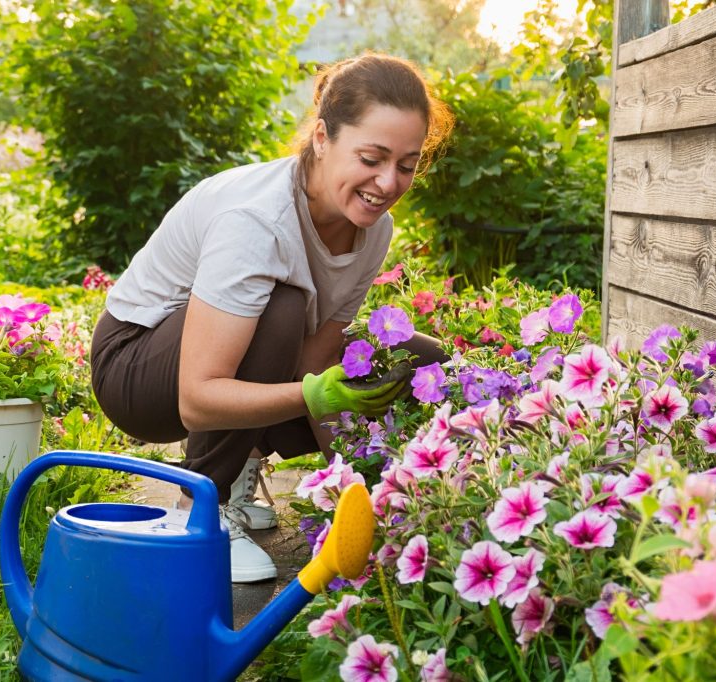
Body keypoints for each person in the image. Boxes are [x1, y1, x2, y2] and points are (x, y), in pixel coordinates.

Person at [90, 53, 454, 583]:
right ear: (324, 138)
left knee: (416, 361)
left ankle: (242, 463)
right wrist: (315, 396)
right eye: (371, 157)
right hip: (138, 369)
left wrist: (357, 501)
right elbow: (197, 396)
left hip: (241, 356)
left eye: (406, 163)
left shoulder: (375, 228)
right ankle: (201, 506)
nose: (387, 182)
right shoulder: (257, 220)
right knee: (281, 310)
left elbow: (317, 360)